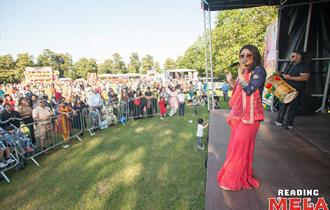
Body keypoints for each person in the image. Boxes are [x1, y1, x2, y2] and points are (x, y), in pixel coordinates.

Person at [217, 44, 266, 191]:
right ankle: (240, 176)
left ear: (255, 56)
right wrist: (231, 79)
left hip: (251, 118)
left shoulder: (259, 71)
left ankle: (232, 180)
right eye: (242, 55)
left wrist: (240, 76)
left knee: (240, 148)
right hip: (241, 117)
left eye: (248, 55)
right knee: (237, 147)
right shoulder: (245, 73)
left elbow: (250, 89)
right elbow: (238, 91)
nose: (244, 58)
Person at [275, 50, 311, 129]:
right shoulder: (290, 65)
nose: (290, 58)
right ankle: (279, 120)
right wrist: (280, 74)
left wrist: (290, 77)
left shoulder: (303, 66)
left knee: (292, 107)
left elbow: (305, 77)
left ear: (299, 56)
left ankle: (288, 124)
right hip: (287, 89)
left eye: (293, 56)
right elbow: (286, 74)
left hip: (296, 90)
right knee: (283, 105)